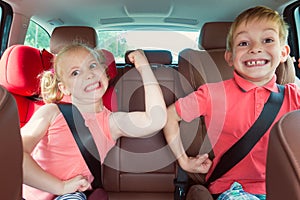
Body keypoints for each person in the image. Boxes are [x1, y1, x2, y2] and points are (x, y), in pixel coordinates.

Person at [163, 5, 300, 200]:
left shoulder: (294, 95)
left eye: (268, 40)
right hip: (235, 189)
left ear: (284, 52)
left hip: (286, 186)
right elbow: (169, 115)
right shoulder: (213, 93)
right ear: (230, 57)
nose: (256, 48)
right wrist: (184, 161)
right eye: (244, 43)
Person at [21, 44, 167, 200]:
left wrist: (144, 67)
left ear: (104, 72)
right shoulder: (51, 112)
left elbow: (155, 120)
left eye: (92, 65)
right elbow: (13, 154)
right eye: (75, 72)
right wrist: (60, 186)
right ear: (64, 88)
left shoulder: (110, 123)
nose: (89, 75)